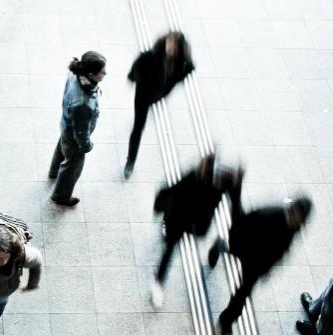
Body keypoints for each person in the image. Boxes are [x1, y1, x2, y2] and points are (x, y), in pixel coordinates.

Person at [150, 154, 244, 307]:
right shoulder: (197, 174)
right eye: (223, 174)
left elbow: (236, 207)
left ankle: (217, 245)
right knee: (169, 247)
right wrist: (160, 204)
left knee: (195, 235)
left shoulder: (232, 180)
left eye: (230, 175)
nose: (225, 179)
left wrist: (242, 227)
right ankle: (158, 283)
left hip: (200, 221)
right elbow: (175, 190)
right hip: (180, 214)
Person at [209, 196, 312, 334]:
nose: (299, 222)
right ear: (293, 211)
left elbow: (280, 250)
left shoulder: (294, 227)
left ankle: (225, 321)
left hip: (256, 265)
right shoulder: (271, 215)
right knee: (241, 290)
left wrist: (266, 268)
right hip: (247, 249)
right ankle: (221, 245)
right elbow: (246, 222)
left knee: (241, 295)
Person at [124, 31, 194, 179]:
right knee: (138, 127)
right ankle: (130, 161)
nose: (171, 48)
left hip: (159, 95)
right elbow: (135, 69)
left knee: (141, 122)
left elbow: (189, 68)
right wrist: (133, 78)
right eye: (170, 44)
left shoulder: (182, 63)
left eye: (175, 47)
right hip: (143, 96)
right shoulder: (149, 57)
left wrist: (175, 80)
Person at [48, 52, 106, 206]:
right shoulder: (82, 104)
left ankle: (54, 172)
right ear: (91, 74)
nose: (105, 74)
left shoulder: (75, 74)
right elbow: (81, 132)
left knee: (62, 148)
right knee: (72, 166)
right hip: (75, 137)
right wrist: (86, 146)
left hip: (66, 124)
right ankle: (61, 196)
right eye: (102, 72)